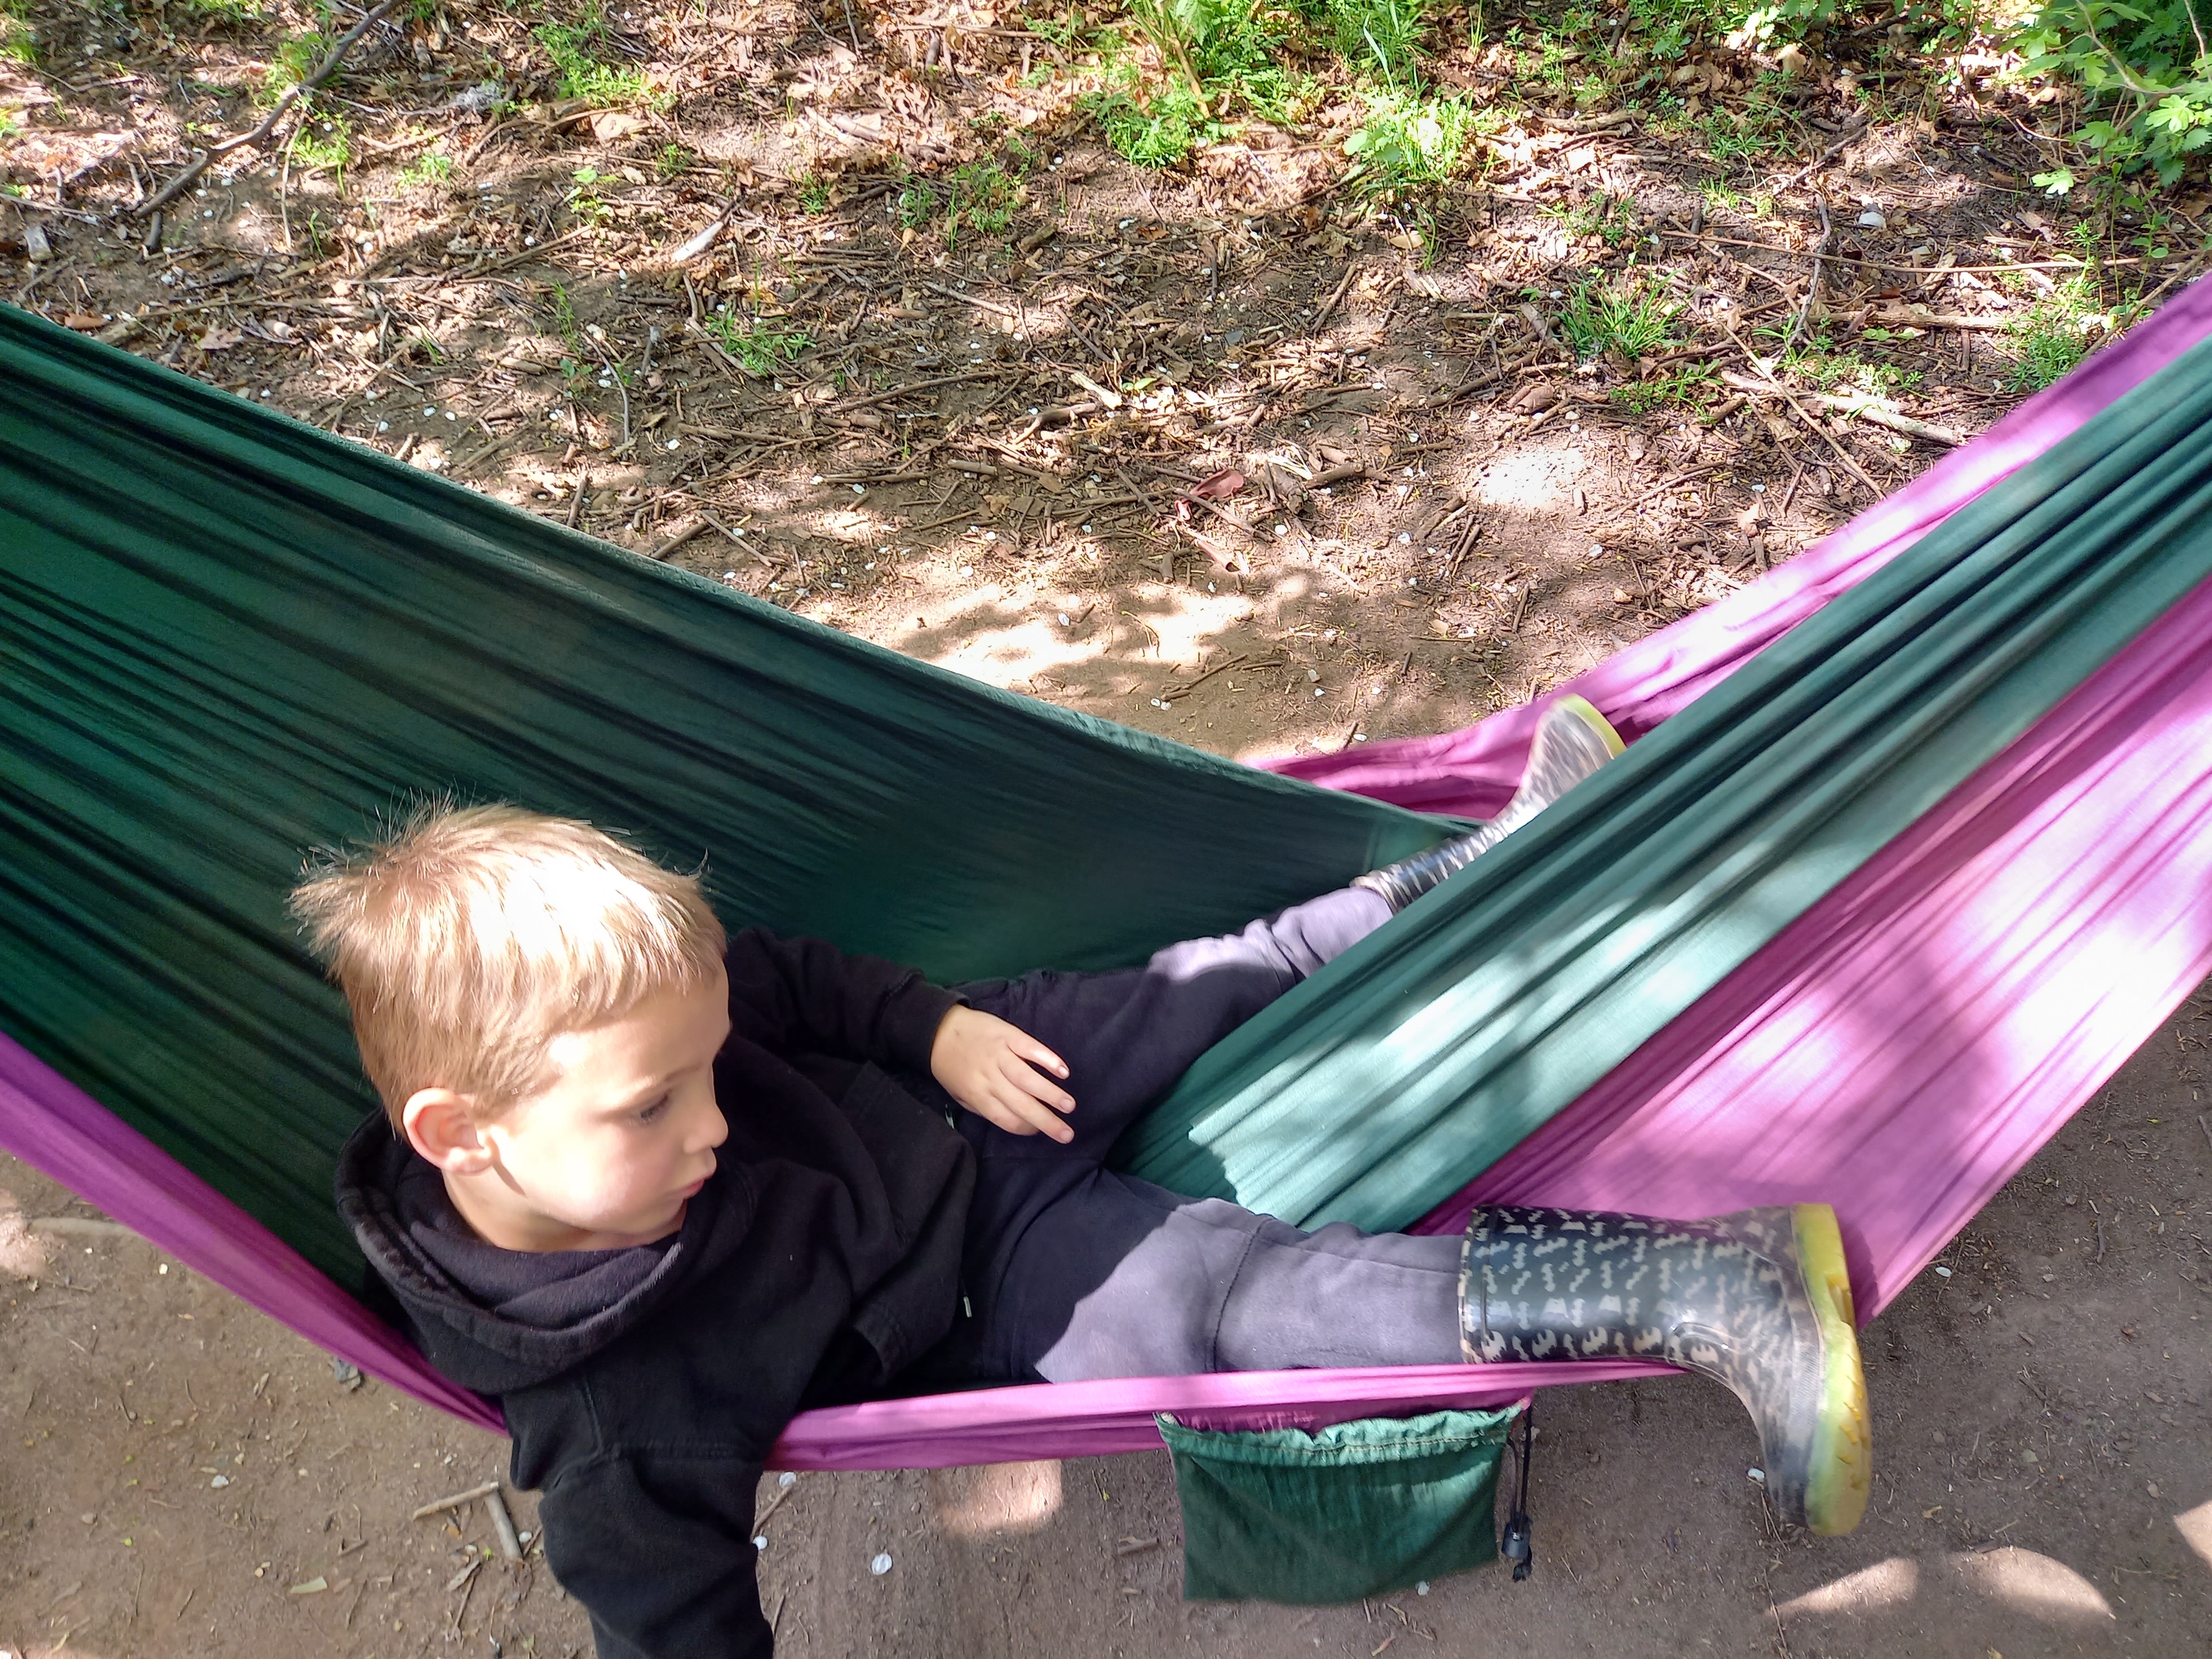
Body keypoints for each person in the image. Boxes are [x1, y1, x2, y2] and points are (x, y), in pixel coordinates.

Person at [300, 698, 1869, 1659]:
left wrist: (931, 1027)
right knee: (1243, 1303)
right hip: (990, 1283)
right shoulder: (613, 1423)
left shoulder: (638, 1043)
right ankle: (1695, 1281)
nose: (711, 1124)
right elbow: (671, 1633)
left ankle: (1505, 852)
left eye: (706, 1070)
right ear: (459, 1135)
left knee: (1220, 980)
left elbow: (782, 982)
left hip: (966, 1090)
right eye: (656, 1108)